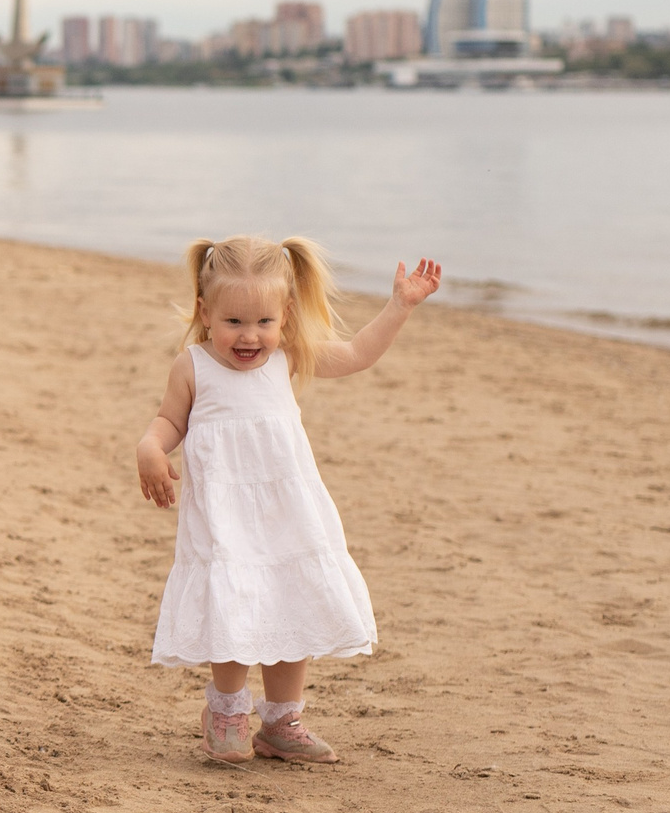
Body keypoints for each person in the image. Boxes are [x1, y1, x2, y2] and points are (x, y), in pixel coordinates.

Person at [136, 235, 443, 763]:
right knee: (234, 604)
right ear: (205, 312)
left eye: (264, 321)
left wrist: (399, 305)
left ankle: (281, 721)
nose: (249, 335)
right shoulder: (193, 366)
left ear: (286, 315)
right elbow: (169, 421)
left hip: (288, 512)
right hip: (227, 518)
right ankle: (227, 712)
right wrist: (150, 448)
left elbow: (357, 354)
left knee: (290, 602)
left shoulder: (288, 355)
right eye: (234, 321)